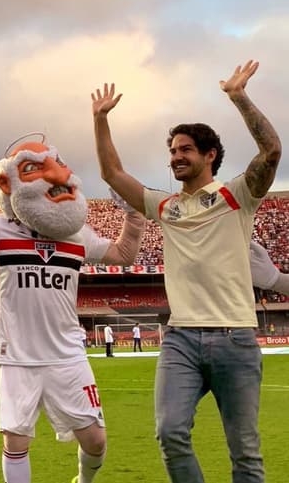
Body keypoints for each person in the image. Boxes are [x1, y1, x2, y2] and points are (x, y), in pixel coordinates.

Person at [91, 60, 281, 483]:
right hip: (180, 339)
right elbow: (111, 173)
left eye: (185, 149)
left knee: (245, 454)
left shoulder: (238, 194)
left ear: (209, 155)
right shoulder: (165, 206)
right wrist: (100, 120)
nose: (175, 157)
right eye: (172, 151)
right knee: (170, 433)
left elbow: (271, 152)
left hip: (235, 336)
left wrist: (239, 97)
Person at [0, 136, 144, 483]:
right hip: (17, 356)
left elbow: (124, 255)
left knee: (96, 440)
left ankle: (83, 480)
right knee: (17, 441)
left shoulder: (77, 235)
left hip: (67, 354)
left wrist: (133, 213)